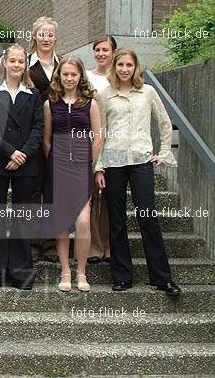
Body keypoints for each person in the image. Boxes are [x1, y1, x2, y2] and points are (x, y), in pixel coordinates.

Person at [95, 48, 181, 295]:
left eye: (129, 65)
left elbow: (165, 123)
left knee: (147, 215)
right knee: (117, 220)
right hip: (113, 162)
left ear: (136, 67)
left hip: (142, 160)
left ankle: (162, 277)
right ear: (114, 66)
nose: (124, 69)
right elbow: (99, 134)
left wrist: (164, 152)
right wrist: (98, 166)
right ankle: (122, 277)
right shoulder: (105, 95)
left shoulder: (148, 92)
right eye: (120, 64)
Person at [0, 44, 43, 290]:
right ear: (4, 63)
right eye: (12, 61)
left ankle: (20, 271)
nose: (16, 65)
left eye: (21, 62)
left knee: (21, 218)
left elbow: (38, 128)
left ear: (25, 65)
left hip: (25, 163)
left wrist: (23, 153)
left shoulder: (33, 94)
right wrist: (10, 151)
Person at [43, 56, 102, 292]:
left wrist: (88, 162)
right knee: (62, 224)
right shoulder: (50, 103)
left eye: (73, 74)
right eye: (65, 74)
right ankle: (65, 271)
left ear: (80, 77)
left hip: (81, 169)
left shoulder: (90, 104)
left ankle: (81, 272)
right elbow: (47, 141)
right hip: (57, 170)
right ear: (59, 76)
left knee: (83, 222)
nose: (69, 78)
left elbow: (98, 137)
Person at [27, 16, 60, 262]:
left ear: (55, 38)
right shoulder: (26, 64)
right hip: (33, 134)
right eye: (42, 34)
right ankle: (33, 243)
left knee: (54, 189)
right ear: (35, 37)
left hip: (60, 133)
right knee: (33, 188)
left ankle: (50, 243)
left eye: (50, 34)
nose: (45, 38)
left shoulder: (64, 64)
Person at [86, 35, 117, 264]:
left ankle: (109, 245)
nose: (101, 53)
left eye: (105, 49)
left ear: (113, 52)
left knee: (110, 197)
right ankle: (94, 246)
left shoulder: (121, 76)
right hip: (91, 139)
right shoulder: (87, 77)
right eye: (97, 49)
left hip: (116, 142)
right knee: (92, 197)